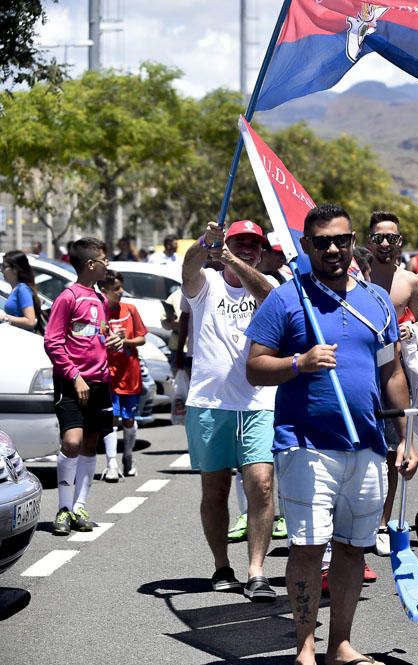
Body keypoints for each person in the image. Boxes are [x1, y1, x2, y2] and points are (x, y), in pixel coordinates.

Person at [245, 204, 417, 665]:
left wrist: (404, 436)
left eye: (341, 240)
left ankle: (340, 644)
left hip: (366, 446)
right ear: (307, 246)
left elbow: (392, 373)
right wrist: (299, 363)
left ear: (353, 240)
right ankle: (304, 648)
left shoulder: (377, 301)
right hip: (306, 447)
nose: (333, 249)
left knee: (350, 548)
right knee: (307, 548)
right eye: (322, 242)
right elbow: (255, 367)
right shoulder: (286, 299)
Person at [181, 220, 278, 601]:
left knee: (261, 484)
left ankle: (257, 571)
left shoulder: (270, 287)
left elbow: (267, 297)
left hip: (258, 404)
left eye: (254, 244)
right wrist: (205, 244)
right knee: (215, 489)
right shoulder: (205, 283)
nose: (248, 248)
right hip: (209, 404)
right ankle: (222, 566)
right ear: (224, 242)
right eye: (240, 242)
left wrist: (236, 261)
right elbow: (188, 267)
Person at [43, 238, 115, 536]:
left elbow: (98, 336)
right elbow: (52, 341)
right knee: (71, 442)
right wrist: (74, 375)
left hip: (100, 384)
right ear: (90, 264)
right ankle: (62, 507)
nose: (107, 264)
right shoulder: (68, 297)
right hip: (73, 383)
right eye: (103, 259)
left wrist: (115, 341)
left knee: (89, 443)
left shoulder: (99, 299)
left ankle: (79, 506)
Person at [367, 211, 418, 557]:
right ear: (368, 241)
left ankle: (384, 523)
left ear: (401, 242)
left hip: (395, 375)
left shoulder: (411, 282)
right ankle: (358, 524)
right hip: (361, 378)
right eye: (378, 238)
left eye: (392, 238)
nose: (385, 244)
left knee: (392, 455)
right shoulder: (356, 277)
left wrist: (411, 327)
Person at [98, 270, 147, 481]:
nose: (121, 292)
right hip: (107, 373)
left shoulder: (130, 309)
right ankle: (111, 463)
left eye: (121, 287)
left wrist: (125, 341)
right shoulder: (99, 312)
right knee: (111, 418)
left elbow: (141, 338)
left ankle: (128, 456)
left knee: (128, 419)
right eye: (116, 289)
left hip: (129, 372)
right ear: (104, 291)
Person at [1, 250, 41, 332]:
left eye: (4, 266)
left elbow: (30, 321)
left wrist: (4, 317)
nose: (1, 270)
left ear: (15, 269)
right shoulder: (16, 288)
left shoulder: (22, 289)